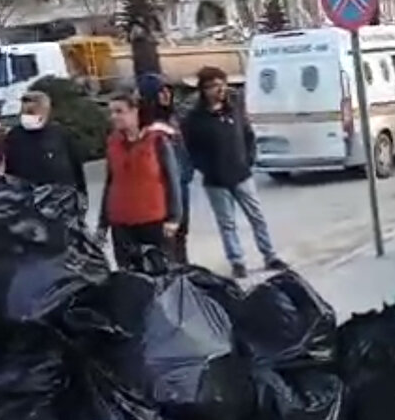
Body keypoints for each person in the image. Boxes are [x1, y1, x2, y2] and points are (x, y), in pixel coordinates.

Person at [182, 66, 286, 279]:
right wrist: (206, 167)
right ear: (203, 90)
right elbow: (191, 150)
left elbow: (248, 135)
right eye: (212, 86)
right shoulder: (195, 120)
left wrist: (248, 160)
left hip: (242, 174)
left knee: (257, 217)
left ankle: (270, 255)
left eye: (222, 84)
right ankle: (237, 261)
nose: (219, 89)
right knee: (227, 223)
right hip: (215, 180)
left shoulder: (234, 108)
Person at [97, 93, 183, 270]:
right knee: (129, 275)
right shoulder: (113, 142)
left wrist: (174, 217)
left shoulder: (157, 140)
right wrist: (103, 223)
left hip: (154, 220)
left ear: (135, 111)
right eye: (111, 112)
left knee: (160, 272)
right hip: (122, 222)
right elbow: (110, 182)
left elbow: (172, 179)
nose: (114, 117)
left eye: (119, 111)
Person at [138, 74, 194, 264]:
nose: (166, 94)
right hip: (163, 188)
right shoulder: (146, 125)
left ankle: (183, 269)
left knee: (182, 233)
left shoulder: (172, 117)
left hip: (182, 181)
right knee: (168, 237)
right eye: (160, 91)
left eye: (167, 90)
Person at [3, 91, 87, 194]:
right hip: (25, 199)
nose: (26, 116)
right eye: (23, 112)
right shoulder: (13, 136)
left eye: (31, 112)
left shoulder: (61, 134)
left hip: (59, 200)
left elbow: (76, 168)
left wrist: (81, 195)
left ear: (46, 111)